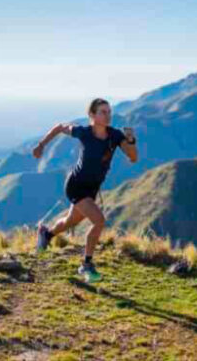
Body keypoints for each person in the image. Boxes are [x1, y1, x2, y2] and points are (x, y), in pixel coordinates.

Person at [32, 98, 138, 282]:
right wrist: (41, 145)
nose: (108, 115)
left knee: (70, 221)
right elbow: (59, 127)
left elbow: (133, 157)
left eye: (109, 112)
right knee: (99, 221)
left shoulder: (115, 135)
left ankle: (46, 234)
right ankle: (86, 264)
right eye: (103, 112)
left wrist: (130, 139)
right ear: (92, 115)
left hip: (91, 190)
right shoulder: (84, 132)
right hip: (76, 186)